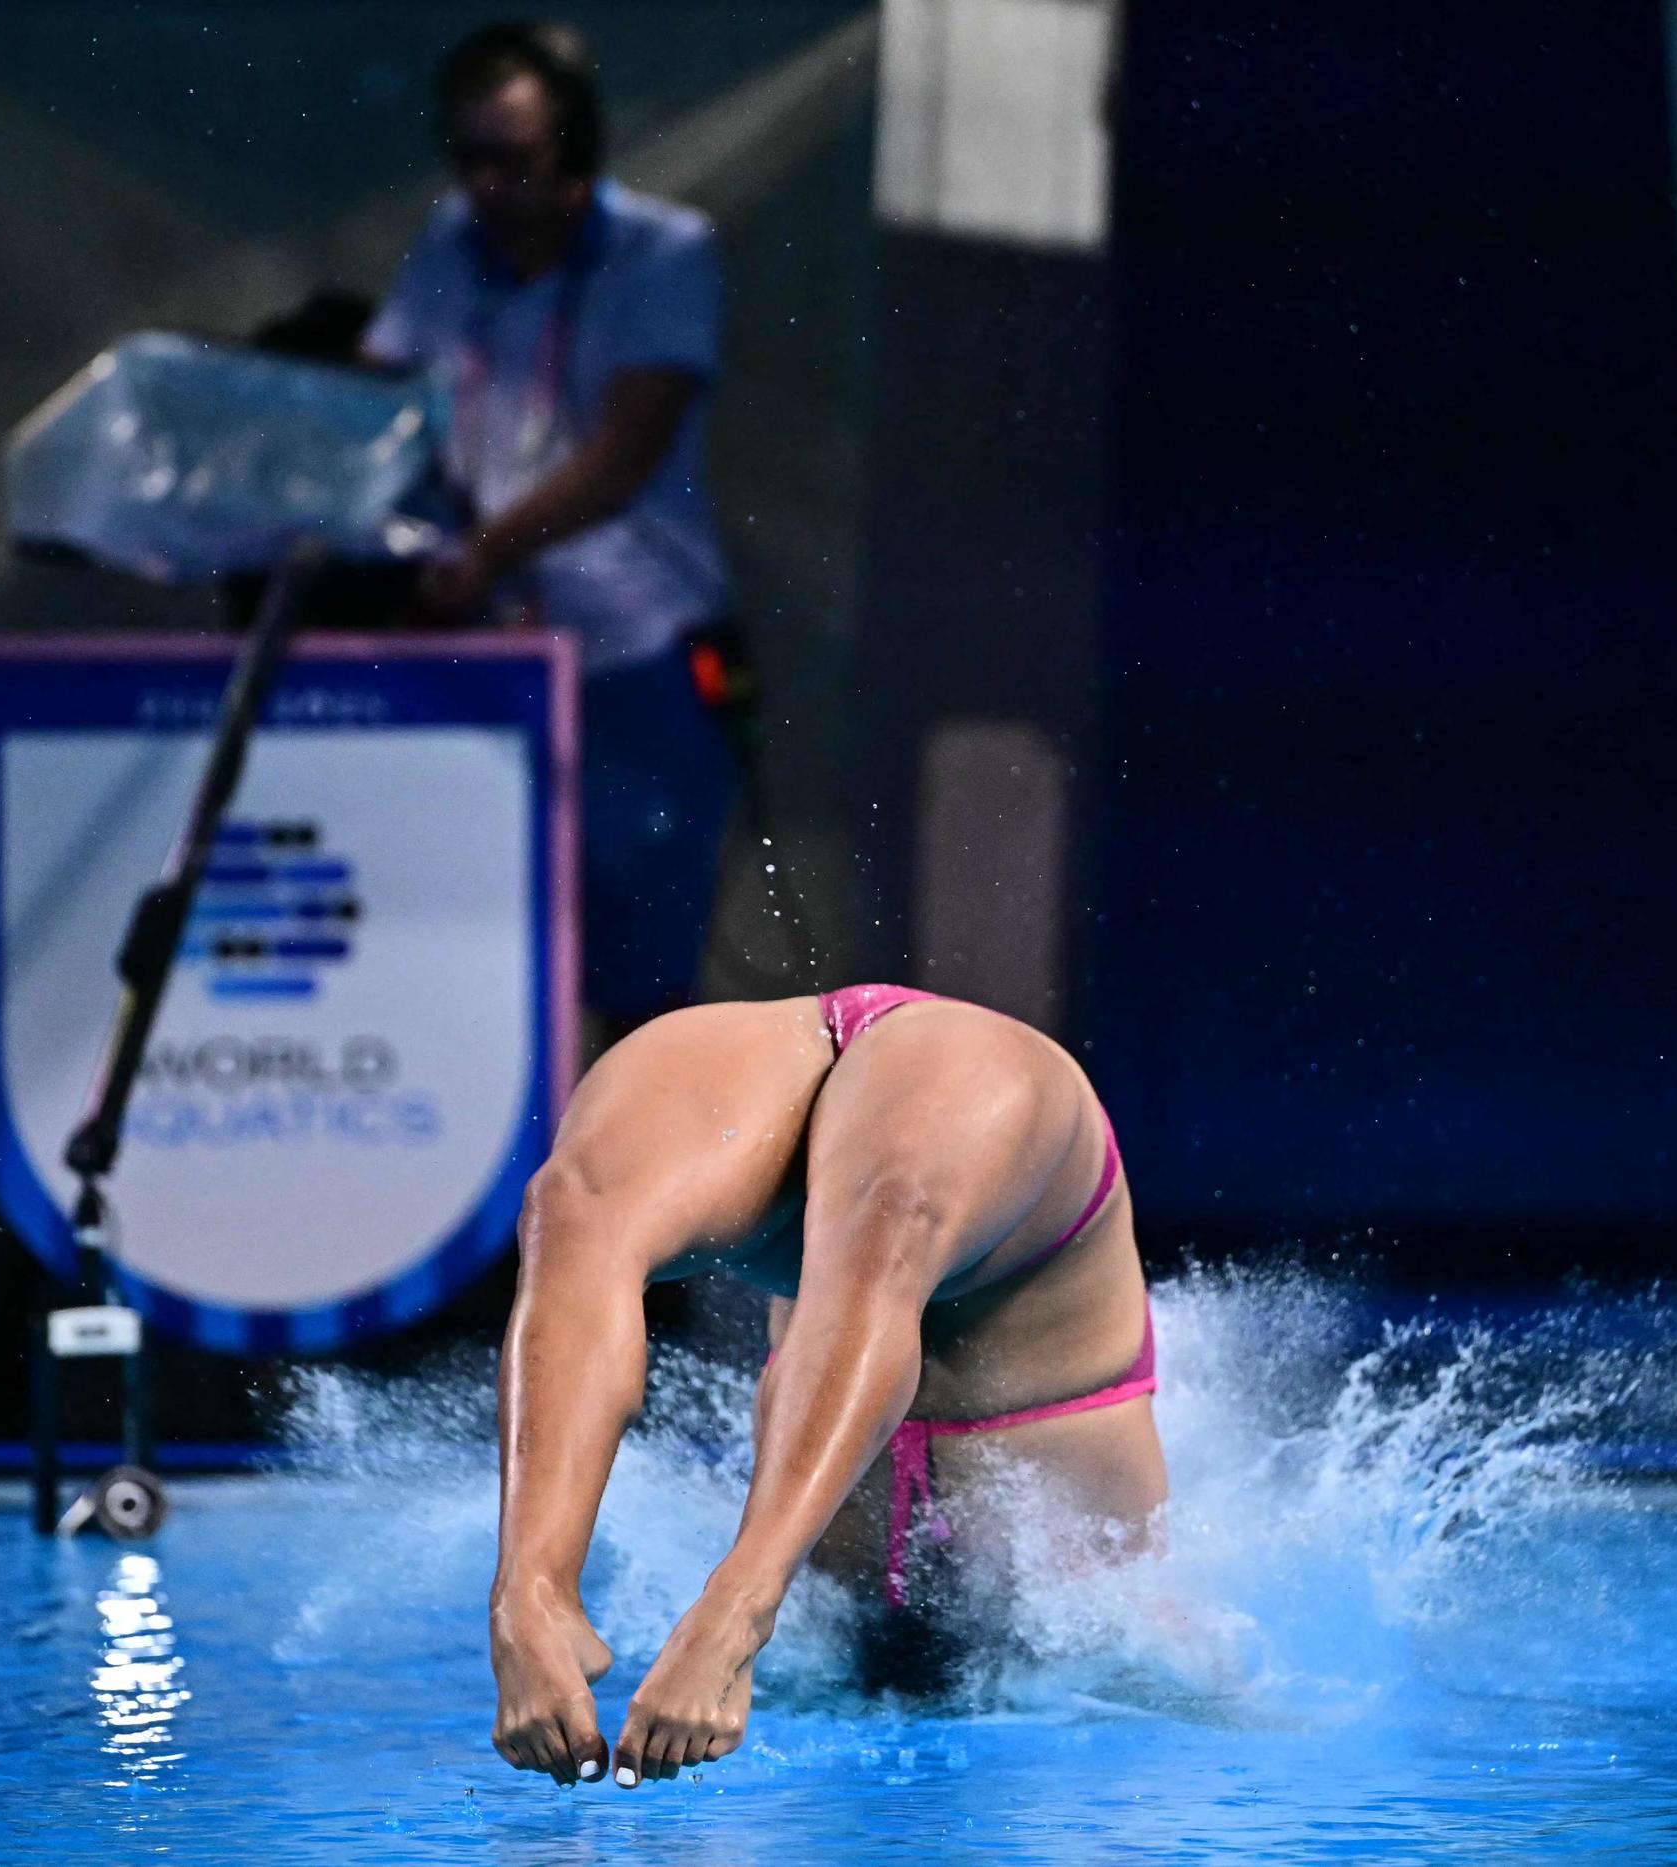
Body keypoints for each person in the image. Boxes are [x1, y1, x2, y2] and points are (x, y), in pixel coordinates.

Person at [486, 985, 1167, 1786]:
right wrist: (527, 1586)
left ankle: (738, 1603)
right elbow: (575, 1267)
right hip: (788, 1065)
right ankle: (536, 1598)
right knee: (573, 1211)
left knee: (886, 1224)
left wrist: (734, 1614)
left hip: (978, 1108)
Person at [361, 21, 738, 1029]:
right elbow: (381, 394)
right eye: (471, 159)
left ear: (574, 156)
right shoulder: (450, 240)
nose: (490, 187)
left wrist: (482, 551)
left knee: (639, 970)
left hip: (636, 649)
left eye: (515, 161)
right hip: (492, 644)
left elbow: (622, 455)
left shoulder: (665, 252)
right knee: (477, 956)